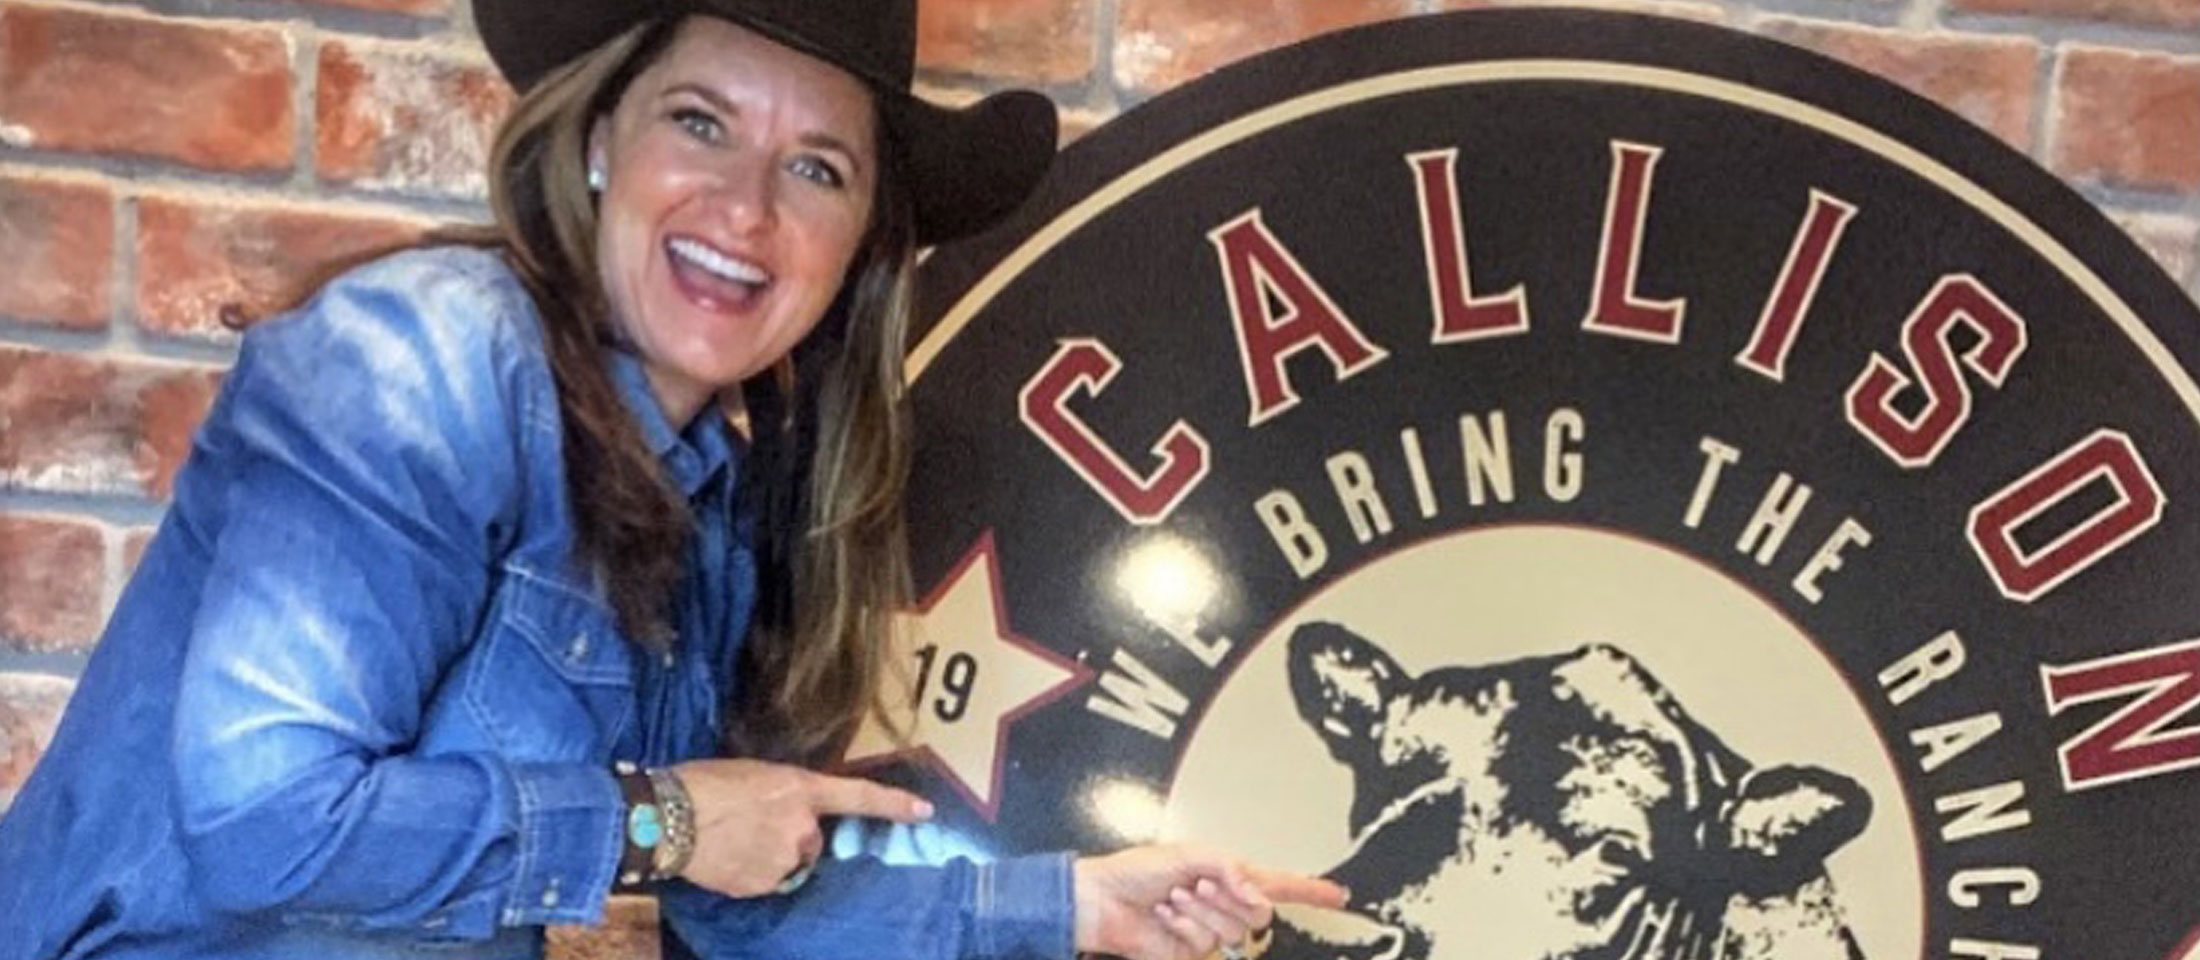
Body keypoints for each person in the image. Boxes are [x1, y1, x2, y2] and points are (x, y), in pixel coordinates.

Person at [0, 1, 1346, 958]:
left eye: (815, 169)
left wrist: (1083, 908)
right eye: (700, 124)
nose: (747, 210)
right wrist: (671, 818)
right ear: (598, 143)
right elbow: (262, 818)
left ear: (858, 246)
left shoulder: (715, 519)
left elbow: (735, 902)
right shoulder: (423, 356)